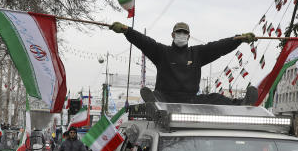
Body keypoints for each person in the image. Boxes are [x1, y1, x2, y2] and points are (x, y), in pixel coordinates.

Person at [109, 21, 257, 105]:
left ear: (189, 36)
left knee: (216, 98)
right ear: (172, 35)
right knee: (156, 96)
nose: (181, 35)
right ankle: (153, 103)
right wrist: (127, 30)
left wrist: (239, 39)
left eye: (184, 33)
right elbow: (144, 42)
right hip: (165, 97)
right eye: (178, 32)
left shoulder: (197, 53)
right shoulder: (162, 52)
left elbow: (217, 47)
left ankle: (242, 103)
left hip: (191, 99)